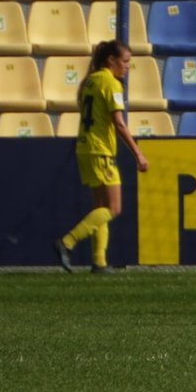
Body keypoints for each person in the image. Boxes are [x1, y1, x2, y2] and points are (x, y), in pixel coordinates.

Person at [53, 40, 149, 274]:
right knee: (114, 208)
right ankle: (68, 242)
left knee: (100, 206)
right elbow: (119, 122)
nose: (127, 67)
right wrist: (138, 153)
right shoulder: (110, 83)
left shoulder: (91, 80)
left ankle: (99, 262)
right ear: (111, 60)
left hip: (85, 148)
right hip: (101, 151)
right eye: (125, 62)